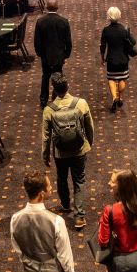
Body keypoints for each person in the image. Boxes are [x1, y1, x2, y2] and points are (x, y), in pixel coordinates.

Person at [42, 73, 94, 231]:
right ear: (68, 86)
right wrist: (88, 144)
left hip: (60, 153)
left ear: (54, 90)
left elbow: (46, 137)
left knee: (62, 178)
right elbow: (89, 127)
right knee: (79, 180)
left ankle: (65, 205)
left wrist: (45, 155)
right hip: (79, 150)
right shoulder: (81, 103)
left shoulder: (49, 110)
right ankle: (79, 217)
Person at [33, 0, 72, 109]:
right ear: (57, 7)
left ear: (46, 7)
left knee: (45, 77)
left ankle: (43, 101)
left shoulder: (40, 21)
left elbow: (37, 41)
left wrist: (40, 54)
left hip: (45, 56)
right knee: (58, 78)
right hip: (59, 56)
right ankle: (56, 99)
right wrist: (66, 55)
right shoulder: (63, 21)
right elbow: (68, 41)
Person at [99, 6, 136, 113]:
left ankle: (114, 97)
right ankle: (119, 97)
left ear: (108, 17)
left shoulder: (106, 30)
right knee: (122, 79)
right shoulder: (123, 30)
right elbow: (133, 42)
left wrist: (102, 58)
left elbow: (103, 46)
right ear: (119, 16)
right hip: (123, 58)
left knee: (111, 79)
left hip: (111, 59)